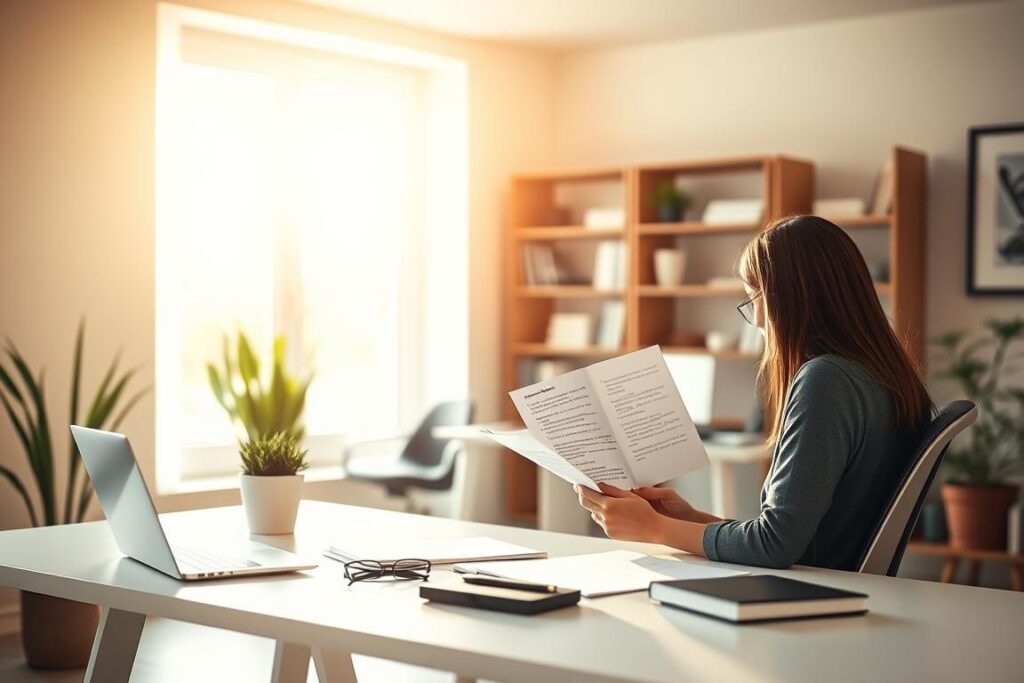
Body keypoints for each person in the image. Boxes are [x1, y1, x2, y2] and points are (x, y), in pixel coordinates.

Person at [576, 215, 933, 570]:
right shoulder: (883, 377)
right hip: (832, 587)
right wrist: (687, 518)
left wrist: (654, 528)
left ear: (796, 298)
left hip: (808, 593)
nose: (758, 320)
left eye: (755, 297)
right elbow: (784, 536)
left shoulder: (827, 381)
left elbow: (774, 546)